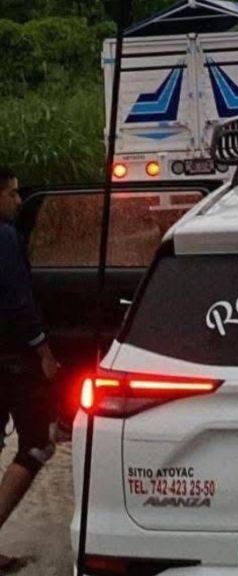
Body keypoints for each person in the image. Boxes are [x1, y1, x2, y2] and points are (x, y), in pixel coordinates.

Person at [0, 167, 59, 569]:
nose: (19, 201)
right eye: (12, 194)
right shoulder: (5, 237)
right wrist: (44, 351)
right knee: (38, 443)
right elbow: (18, 300)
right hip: (13, 360)